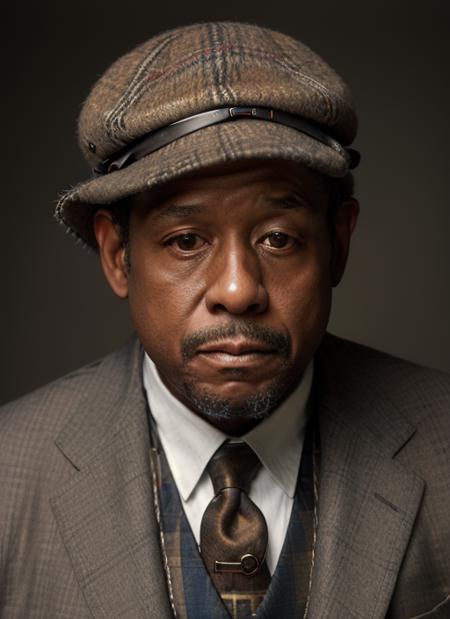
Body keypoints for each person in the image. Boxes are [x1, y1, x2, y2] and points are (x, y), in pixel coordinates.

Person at [0, 21, 449, 619]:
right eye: (186, 240)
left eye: (279, 238)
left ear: (338, 243)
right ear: (117, 255)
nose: (238, 290)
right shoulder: (9, 475)